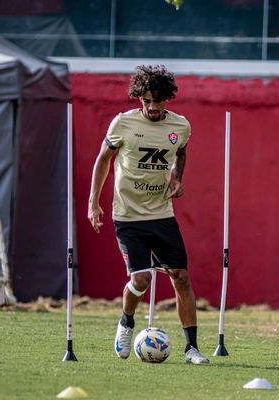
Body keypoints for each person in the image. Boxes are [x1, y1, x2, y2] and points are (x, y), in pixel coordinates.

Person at [87, 65, 209, 364]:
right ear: (138, 99)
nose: (151, 107)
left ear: (167, 98)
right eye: (145, 101)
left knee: (180, 276)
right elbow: (104, 160)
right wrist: (93, 201)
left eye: (157, 100)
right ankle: (127, 322)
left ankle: (191, 348)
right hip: (127, 216)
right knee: (141, 280)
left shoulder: (180, 126)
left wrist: (177, 179)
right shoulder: (122, 124)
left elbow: (180, 152)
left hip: (161, 214)